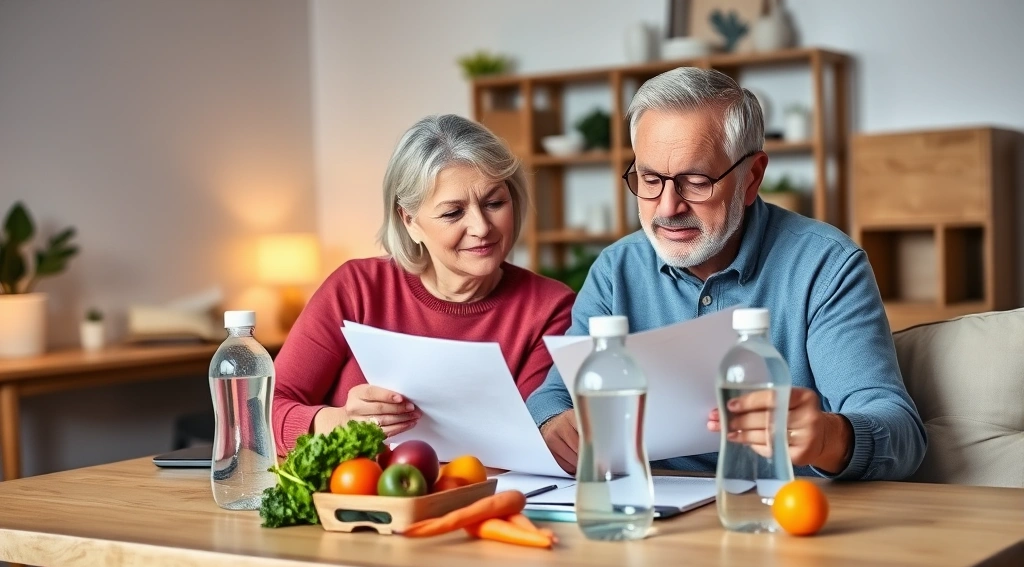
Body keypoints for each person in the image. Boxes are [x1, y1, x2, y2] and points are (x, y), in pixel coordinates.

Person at [526, 68, 927, 481]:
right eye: (649, 180)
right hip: (651, 514)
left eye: (695, 182)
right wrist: (553, 421)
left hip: (782, 517)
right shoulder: (616, 270)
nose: (667, 208)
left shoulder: (826, 267)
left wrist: (830, 437)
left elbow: (901, 431)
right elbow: (554, 396)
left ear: (751, 177)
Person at [273, 114, 575, 455]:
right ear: (410, 221)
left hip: (478, 498)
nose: (481, 227)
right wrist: (337, 422)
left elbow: (527, 439)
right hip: (356, 497)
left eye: (494, 203)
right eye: (452, 213)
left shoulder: (551, 307)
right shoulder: (357, 288)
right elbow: (264, 409)